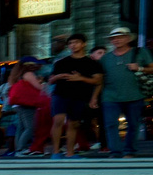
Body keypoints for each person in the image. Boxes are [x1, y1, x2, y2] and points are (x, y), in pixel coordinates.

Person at [45, 33, 103, 159]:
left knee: (74, 123)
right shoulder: (61, 62)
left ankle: (70, 152)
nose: (73, 45)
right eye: (70, 43)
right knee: (58, 121)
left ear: (83, 44)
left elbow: (98, 81)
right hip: (60, 94)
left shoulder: (91, 63)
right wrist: (58, 77)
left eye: (76, 42)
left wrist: (80, 78)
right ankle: (55, 151)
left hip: (80, 96)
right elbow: (50, 80)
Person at [97, 26, 151, 157]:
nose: (117, 40)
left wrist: (140, 68)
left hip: (134, 95)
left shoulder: (140, 52)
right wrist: (95, 97)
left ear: (128, 38)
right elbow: (100, 79)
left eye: (120, 37)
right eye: (113, 38)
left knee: (133, 125)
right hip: (110, 96)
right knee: (110, 124)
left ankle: (129, 150)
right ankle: (115, 151)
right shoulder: (106, 58)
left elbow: (151, 69)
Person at [1, 63, 48, 157]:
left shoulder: (16, 76)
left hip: (19, 104)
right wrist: (45, 84)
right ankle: (21, 148)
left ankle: (19, 149)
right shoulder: (28, 74)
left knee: (21, 127)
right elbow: (39, 87)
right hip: (28, 104)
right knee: (30, 127)